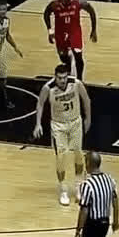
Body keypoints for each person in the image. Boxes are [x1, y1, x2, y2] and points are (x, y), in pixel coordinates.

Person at [32, 64, 92, 206]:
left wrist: (88, 118)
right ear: (55, 77)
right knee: (61, 157)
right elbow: (40, 104)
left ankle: (78, 187)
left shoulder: (76, 83)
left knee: (78, 154)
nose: (63, 81)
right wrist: (38, 124)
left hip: (75, 122)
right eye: (59, 78)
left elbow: (86, 99)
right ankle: (63, 189)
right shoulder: (48, 88)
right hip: (58, 126)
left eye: (64, 77)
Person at [75, 151, 119, 237]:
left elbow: (84, 210)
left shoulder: (87, 185)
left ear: (88, 163)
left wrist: (78, 230)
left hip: (92, 225)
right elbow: (115, 201)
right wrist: (116, 221)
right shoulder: (109, 179)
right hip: (105, 224)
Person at [43, 0, 98, 80]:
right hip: (60, 34)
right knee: (63, 57)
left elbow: (91, 11)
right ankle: (68, 68)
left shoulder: (77, 3)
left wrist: (94, 30)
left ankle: (79, 79)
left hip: (74, 33)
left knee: (78, 55)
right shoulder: (54, 4)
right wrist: (49, 30)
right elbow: (46, 13)